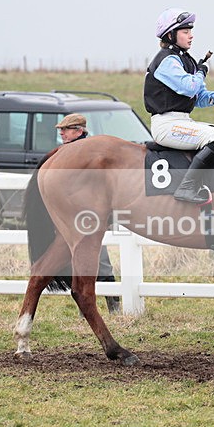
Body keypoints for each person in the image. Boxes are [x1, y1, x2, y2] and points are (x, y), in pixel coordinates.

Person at [144, 8, 214, 203]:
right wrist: (201, 71)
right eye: (185, 31)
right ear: (170, 35)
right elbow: (190, 87)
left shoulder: (184, 60)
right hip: (165, 126)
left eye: (190, 31)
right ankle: (186, 188)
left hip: (182, 120)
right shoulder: (166, 61)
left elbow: (198, 96)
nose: (191, 36)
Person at [56, 113, 121, 314]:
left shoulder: (88, 154)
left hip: (90, 215)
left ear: (79, 131)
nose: (62, 133)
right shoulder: (70, 152)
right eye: (61, 130)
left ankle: (114, 307)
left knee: (101, 262)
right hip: (77, 215)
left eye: (65, 130)